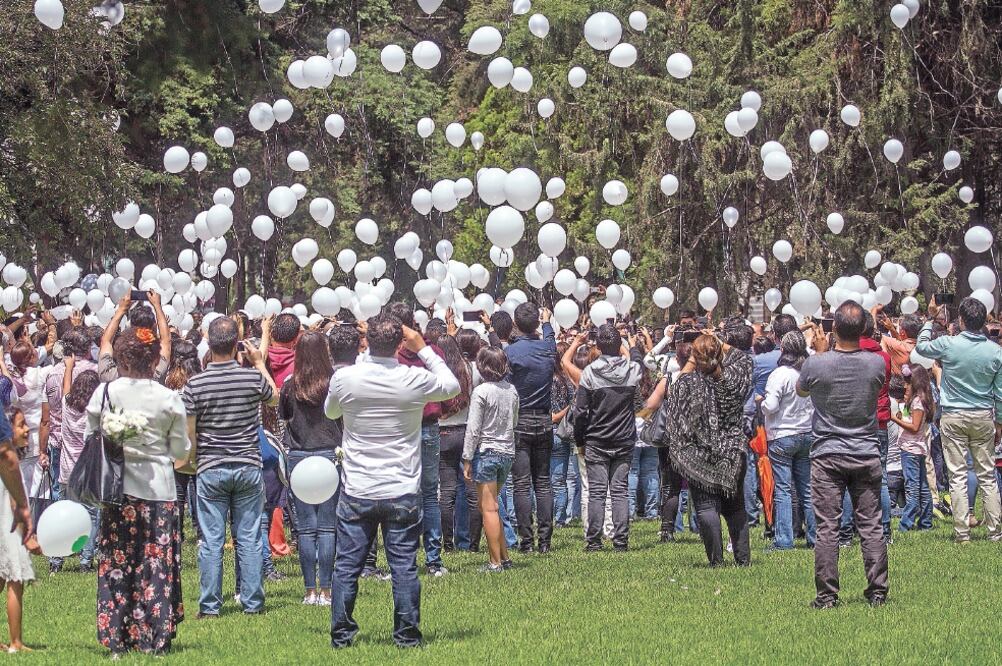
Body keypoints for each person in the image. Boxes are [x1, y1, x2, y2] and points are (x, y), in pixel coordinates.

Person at [325, 314, 460, 649]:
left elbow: (330, 412)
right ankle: (407, 635)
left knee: (347, 566)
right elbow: (452, 386)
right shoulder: (412, 378)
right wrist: (425, 348)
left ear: (366, 341)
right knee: (403, 567)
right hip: (400, 487)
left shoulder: (347, 378)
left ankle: (342, 635)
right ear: (400, 344)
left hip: (359, 487)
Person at [88, 328, 189, 655]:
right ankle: (154, 638)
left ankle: (118, 638)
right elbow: (179, 448)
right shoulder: (168, 397)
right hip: (158, 487)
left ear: (121, 357)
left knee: (118, 562)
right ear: (153, 359)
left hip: (117, 488)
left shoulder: (106, 392)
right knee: (154, 563)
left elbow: (94, 430)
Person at [182, 317, 278, 618]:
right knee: (248, 536)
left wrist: (194, 463)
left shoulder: (194, 384)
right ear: (236, 343)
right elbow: (274, 398)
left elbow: (190, 434)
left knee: (211, 539)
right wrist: (260, 363)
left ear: (209, 344)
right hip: (248, 465)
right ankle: (252, 602)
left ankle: (210, 606)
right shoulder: (251, 379)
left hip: (211, 466)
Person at [798, 300, 889, 609]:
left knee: (827, 526)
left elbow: (802, 390)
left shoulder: (816, 363)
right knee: (871, 524)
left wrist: (821, 352)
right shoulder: (877, 363)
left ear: (833, 328)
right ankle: (877, 590)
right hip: (865, 450)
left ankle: (826, 595)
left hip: (827, 453)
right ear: (863, 328)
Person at [915, 297, 1002, 542]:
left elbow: (921, 346)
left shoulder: (948, 344)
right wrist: (999, 424)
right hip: (983, 415)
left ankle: (962, 532)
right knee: (987, 474)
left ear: (961, 320)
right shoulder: (996, 351)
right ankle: (996, 531)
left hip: (954, 415)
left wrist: (930, 319)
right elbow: (1001, 392)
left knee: (957, 475)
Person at [665, 334, 753, 566]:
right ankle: (742, 559)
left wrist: (694, 359)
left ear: (695, 357)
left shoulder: (688, 383)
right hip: (733, 452)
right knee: (736, 508)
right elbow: (743, 358)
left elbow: (673, 394)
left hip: (700, 454)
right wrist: (716, 341)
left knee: (705, 506)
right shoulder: (736, 378)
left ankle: (716, 560)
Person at [280, 331, 342, 607]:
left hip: (300, 457)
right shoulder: (334, 384)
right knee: (328, 527)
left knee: (306, 529)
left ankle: (309, 591)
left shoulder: (289, 385)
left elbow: (283, 418)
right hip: (330, 455)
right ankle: (327, 591)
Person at [386, 303, 448, 577]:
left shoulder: (391, 358)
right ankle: (433, 559)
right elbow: (448, 386)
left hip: (403, 429)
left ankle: (405, 555)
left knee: (401, 492)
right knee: (429, 493)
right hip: (428, 426)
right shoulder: (432, 353)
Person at [573, 325, 644, 551]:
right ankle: (620, 540)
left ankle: (593, 541)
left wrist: (580, 441)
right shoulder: (632, 370)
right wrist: (631, 345)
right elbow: (638, 360)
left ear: (599, 346)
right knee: (619, 491)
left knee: (597, 492)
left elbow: (581, 412)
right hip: (624, 438)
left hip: (597, 438)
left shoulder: (590, 373)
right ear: (618, 345)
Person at [505, 303, 557, 554]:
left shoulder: (511, 353)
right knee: (543, 483)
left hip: (520, 419)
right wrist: (547, 322)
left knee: (522, 484)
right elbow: (550, 337)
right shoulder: (547, 348)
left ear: (516, 323)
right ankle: (544, 542)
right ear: (536, 323)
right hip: (543, 419)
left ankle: (526, 541)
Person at [462, 346, 519, 572]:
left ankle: (495, 562)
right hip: (507, 451)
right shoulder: (512, 390)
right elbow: (514, 421)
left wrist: (467, 457)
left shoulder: (481, 392)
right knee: (494, 505)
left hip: (486, 451)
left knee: (489, 508)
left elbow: (473, 428)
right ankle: (503, 557)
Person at [759, 330, 816, 550]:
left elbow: (771, 406)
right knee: (808, 489)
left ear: (782, 349)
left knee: (782, 489)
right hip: (807, 433)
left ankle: (784, 539)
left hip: (782, 435)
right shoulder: (808, 373)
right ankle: (815, 537)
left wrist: (762, 404)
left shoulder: (780, 374)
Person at [51, 358, 101, 572]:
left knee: (63, 517)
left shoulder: (67, 405)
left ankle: (56, 561)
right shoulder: (96, 412)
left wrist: (69, 367)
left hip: (66, 471)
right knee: (90, 516)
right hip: (88, 473)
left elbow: (65, 390)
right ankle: (85, 560)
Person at [0, 407, 40, 653]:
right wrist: (29, 535)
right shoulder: (10, 467)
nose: (27, 429)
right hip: (9, 528)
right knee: (15, 580)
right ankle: (16, 641)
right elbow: (15, 503)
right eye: (21, 424)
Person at [437, 334, 476, 553]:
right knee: (472, 490)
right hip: (465, 430)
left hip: (443, 432)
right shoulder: (468, 370)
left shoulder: (437, 373)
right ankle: (472, 543)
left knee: (447, 491)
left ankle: (448, 544)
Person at [162, 340, 202, 543]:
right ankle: (202, 532)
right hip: (199, 443)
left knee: (178, 492)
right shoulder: (201, 382)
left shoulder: (168, 383)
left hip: (176, 444)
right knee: (200, 490)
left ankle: (176, 533)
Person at [892, 364, 934, 531]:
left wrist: (894, 419)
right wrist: (904, 417)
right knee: (923, 487)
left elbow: (915, 427)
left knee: (913, 488)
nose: (905, 385)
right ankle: (925, 522)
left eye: (908, 382)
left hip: (910, 449)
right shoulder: (922, 399)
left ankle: (905, 523)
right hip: (918, 448)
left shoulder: (917, 401)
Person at [98, 291, 171, 383]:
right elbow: (166, 342)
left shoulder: (111, 376)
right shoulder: (156, 375)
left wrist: (121, 309)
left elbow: (106, 342)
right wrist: (157, 306)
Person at [550, 341, 579, 527]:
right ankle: (560, 518)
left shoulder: (548, 381)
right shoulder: (569, 382)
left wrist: (558, 415)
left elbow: (552, 416)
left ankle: (554, 516)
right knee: (560, 480)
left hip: (552, 430)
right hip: (564, 432)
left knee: (549, 480)